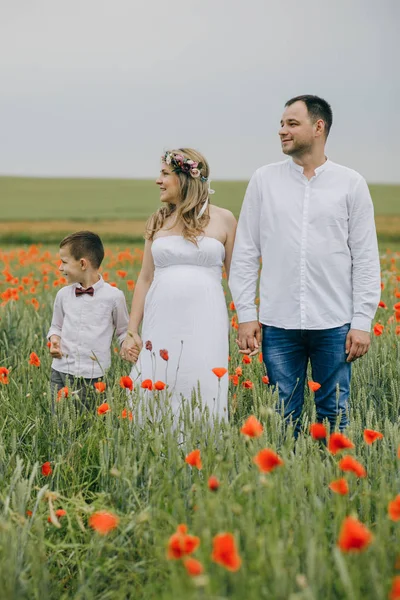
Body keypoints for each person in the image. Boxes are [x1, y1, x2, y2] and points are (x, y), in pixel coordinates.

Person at [229, 95, 381, 435]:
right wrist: (246, 315)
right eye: (282, 124)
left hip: (334, 322)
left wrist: (362, 321)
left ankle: (332, 484)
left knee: (335, 413)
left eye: (291, 123)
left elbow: (366, 259)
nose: (282, 130)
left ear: (318, 127)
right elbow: (245, 254)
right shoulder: (264, 181)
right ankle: (286, 485)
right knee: (283, 415)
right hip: (277, 323)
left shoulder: (350, 183)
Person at [121, 148, 236, 422]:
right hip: (161, 321)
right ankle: (152, 454)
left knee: (202, 380)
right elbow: (145, 277)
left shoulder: (225, 219)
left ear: (186, 178)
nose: (157, 181)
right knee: (157, 380)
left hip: (206, 321)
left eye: (164, 174)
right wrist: (132, 330)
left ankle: (203, 454)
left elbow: (236, 277)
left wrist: (247, 323)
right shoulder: (158, 220)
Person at [48, 231, 129, 408]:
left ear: (82, 263)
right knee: (60, 426)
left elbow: (123, 331)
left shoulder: (114, 297)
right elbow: (56, 326)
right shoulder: (63, 295)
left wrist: (127, 347)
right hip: (60, 372)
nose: (60, 268)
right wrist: (54, 339)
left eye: (64, 262)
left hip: (94, 378)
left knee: (90, 425)